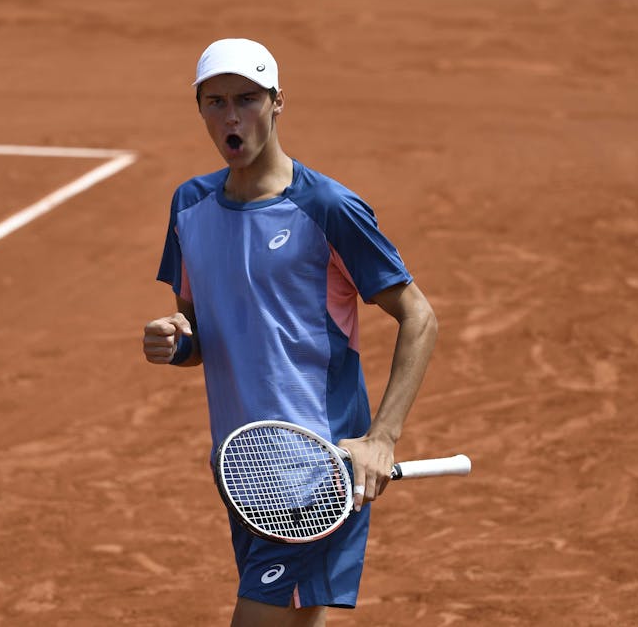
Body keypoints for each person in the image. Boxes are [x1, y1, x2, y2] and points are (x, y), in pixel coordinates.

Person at [142, 38, 438, 627]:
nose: (232, 116)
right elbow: (203, 331)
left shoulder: (328, 207)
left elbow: (419, 317)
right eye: (216, 102)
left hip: (316, 472)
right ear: (199, 109)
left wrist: (382, 438)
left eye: (248, 99)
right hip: (242, 466)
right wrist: (175, 342)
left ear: (278, 103)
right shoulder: (189, 206)